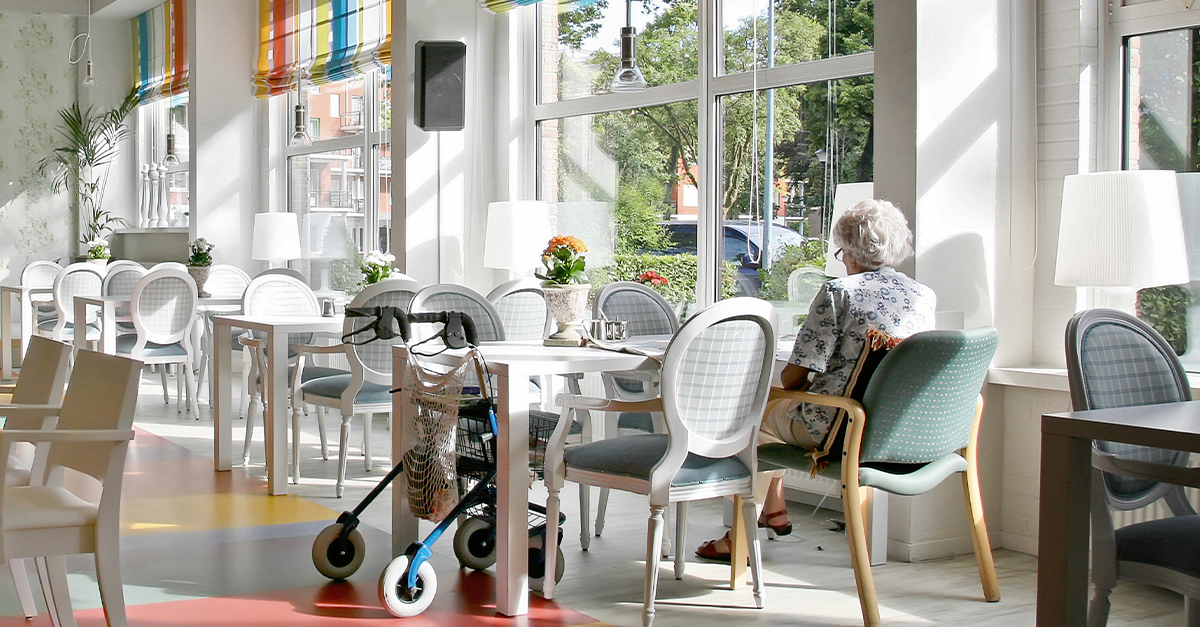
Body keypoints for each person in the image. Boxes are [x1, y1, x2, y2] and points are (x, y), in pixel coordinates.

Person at [696, 198, 936, 562]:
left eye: (841, 252)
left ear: (849, 251)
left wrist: (804, 387)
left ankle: (738, 538)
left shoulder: (840, 293)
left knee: (752, 414)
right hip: (893, 428)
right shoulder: (922, 296)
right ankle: (774, 509)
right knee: (772, 414)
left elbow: (794, 375)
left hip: (838, 428)